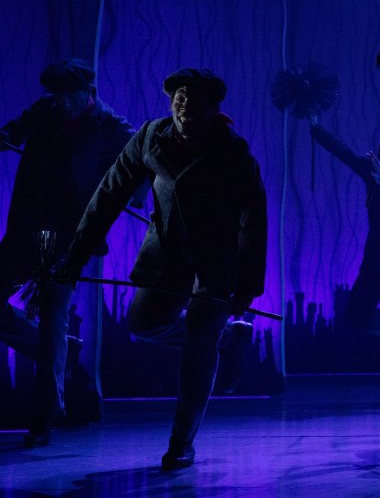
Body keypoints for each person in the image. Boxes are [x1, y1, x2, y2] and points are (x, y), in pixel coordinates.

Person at [62, 68, 266, 470]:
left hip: (216, 263)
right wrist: (77, 254)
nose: (185, 106)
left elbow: (254, 221)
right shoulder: (151, 137)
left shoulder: (234, 153)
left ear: (214, 108)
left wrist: (247, 285)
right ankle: (229, 339)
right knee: (143, 324)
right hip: (166, 256)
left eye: (196, 100)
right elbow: (110, 193)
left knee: (198, 343)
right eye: (180, 98)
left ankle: (181, 443)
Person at [0, 59, 134, 447]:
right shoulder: (45, 109)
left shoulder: (111, 127)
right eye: (57, 96)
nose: (63, 103)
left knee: (52, 316)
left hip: (67, 237)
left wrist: (136, 191)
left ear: (89, 91)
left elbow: (141, 161)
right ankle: (62, 350)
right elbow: (18, 127)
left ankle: (43, 417)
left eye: (70, 96)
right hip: (28, 228)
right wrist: (3, 136)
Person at [309, 121, 380, 406]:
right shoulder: (373, 172)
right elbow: (343, 151)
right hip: (378, 260)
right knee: (356, 316)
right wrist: (315, 127)